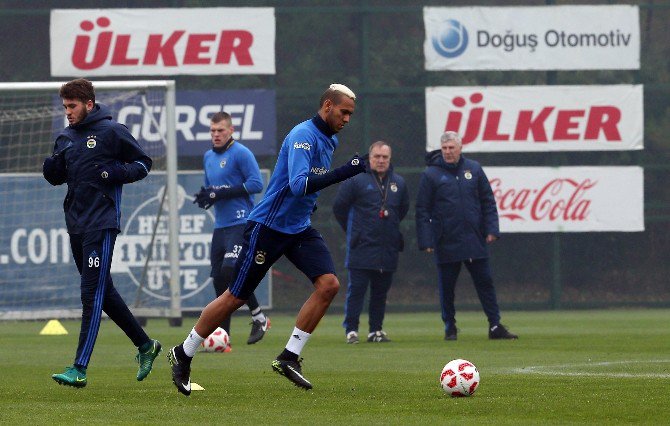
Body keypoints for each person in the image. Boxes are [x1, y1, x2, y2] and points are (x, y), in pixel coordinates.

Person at [168, 83, 367, 395]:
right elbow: (300, 185)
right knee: (234, 297)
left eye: (351, 114)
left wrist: (311, 205)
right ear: (327, 105)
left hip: (298, 228)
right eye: (344, 112)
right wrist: (347, 171)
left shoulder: (330, 139)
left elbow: (306, 193)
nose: (347, 119)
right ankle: (183, 353)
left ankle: (289, 357)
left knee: (329, 285)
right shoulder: (303, 135)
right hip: (269, 227)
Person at [42, 78, 161, 388]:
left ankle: (79, 368)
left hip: (102, 222)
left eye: (73, 106)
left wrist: (114, 172)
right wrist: (51, 167)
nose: (67, 112)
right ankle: (146, 346)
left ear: (89, 105)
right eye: (65, 107)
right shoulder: (66, 137)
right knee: (103, 293)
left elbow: (144, 163)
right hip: (76, 223)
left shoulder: (111, 132)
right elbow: (58, 178)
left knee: (90, 294)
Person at [415, 131, 518, 341]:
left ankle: (495, 325)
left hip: (474, 238)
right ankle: (450, 327)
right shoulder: (431, 174)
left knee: (485, 283)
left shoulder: (474, 169)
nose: (448, 152)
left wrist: (491, 229)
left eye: (452, 148)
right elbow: (422, 209)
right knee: (447, 288)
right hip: (446, 240)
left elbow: (488, 201)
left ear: (460, 148)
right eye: (444, 148)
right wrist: (426, 240)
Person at [192, 111, 270, 348]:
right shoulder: (208, 156)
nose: (216, 135)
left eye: (221, 131)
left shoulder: (241, 153)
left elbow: (256, 184)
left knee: (230, 270)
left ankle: (258, 316)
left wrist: (221, 193)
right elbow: (211, 188)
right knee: (219, 280)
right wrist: (207, 197)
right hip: (221, 225)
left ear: (231, 131)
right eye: (213, 131)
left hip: (241, 221)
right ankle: (223, 339)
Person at [333, 141, 409, 344]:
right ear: (370, 157)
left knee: (380, 292)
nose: (381, 161)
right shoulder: (356, 179)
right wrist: (353, 231)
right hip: (362, 246)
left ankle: (376, 330)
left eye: (385, 157)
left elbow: (402, 210)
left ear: (390, 159)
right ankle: (351, 330)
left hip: (388, 247)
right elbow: (339, 207)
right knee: (356, 291)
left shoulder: (398, 182)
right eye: (377, 156)